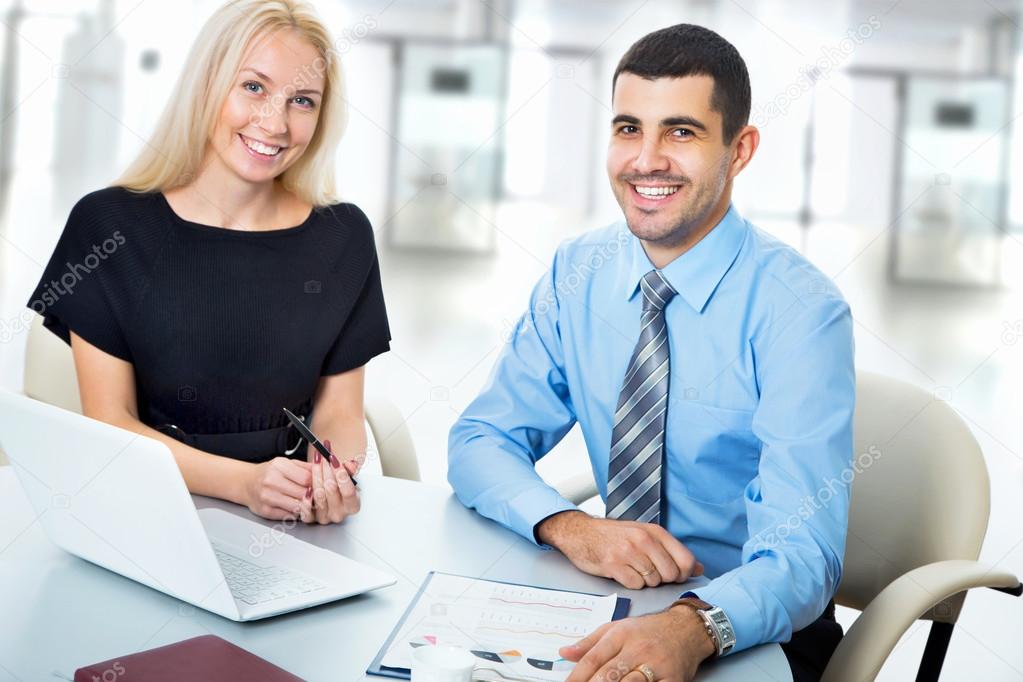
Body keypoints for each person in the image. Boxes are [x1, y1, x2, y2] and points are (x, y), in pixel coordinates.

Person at [448, 24, 852, 682]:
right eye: (629, 128)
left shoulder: (801, 314)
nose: (646, 159)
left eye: (681, 132)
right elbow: (478, 439)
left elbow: (802, 555)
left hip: (751, 628)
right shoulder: (575, 271)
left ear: (739, 149)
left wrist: (692, 625)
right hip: (612, 601)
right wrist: (568, 526)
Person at [27, 0, 388, 526]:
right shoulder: (109, 225)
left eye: (303, 100)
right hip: (148, 510)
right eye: (254, 87)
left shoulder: (343, 236)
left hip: (289, 520)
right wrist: (244, 483)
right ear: (207, 85)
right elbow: (110, 421)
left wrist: (331, 476)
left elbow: (341, 412)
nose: (275, 123)